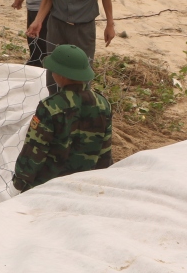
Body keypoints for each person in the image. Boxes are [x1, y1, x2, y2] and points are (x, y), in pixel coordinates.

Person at [12, 44, 112, 192]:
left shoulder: (50, 107)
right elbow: (105, 150)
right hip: (85, 186)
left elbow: (35, 150)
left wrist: (20, 181)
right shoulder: (103, 104)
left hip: (48, 187)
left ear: (61, 75)